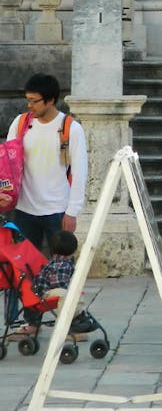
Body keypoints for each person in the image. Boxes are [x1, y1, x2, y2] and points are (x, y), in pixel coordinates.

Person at [6, 73, 88, 253]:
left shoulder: (71, 129)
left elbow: (79, 172)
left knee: (60, 269)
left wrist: (72, 212)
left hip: (57, 211)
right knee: (24, 270)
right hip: (24, 210)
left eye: (34, 101)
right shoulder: (19, 123)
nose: (30, 105)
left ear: (50, 100)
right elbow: (7, 165)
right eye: (28, 100)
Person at [22, 229, 78, 332]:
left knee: (75, 294)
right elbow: (57, 284)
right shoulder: (62, 264)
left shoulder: (58, 261)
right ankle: (67, 326)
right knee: (65, 294)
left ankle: (78, 316)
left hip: (48, 291)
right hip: (47, 293)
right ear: (73, 249)